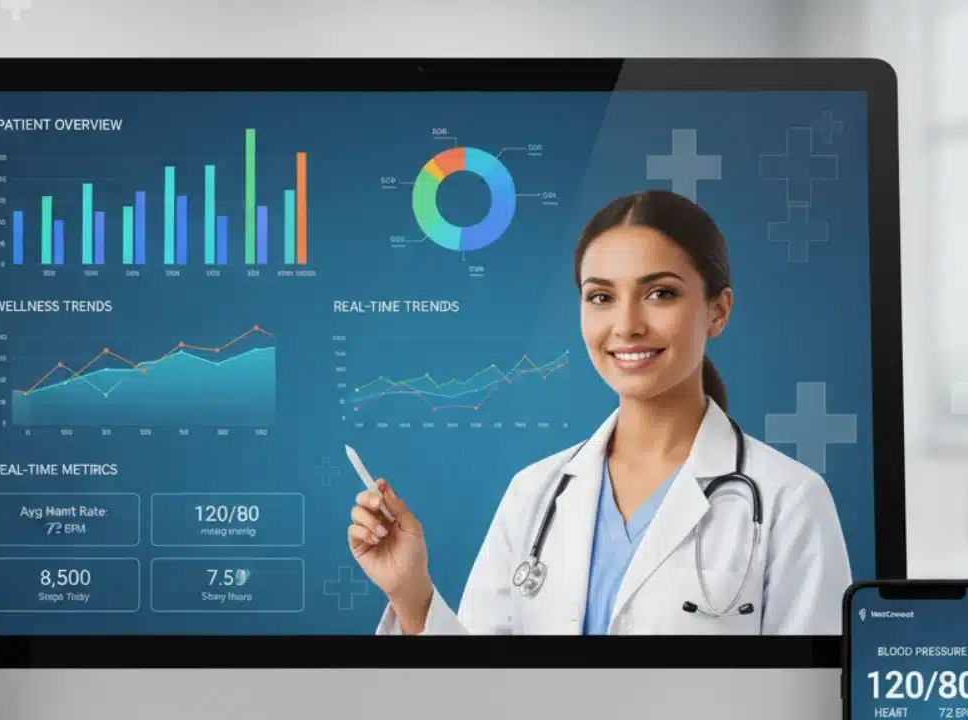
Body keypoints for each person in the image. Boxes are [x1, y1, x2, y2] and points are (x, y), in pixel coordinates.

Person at [346, 189, 852, 636]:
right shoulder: (535, 493)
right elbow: (474, 694)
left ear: (717, 310)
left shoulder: (790, 501)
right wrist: (411, 596)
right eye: (601, 297)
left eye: (660, 293)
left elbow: (817, 698)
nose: (627, 325)